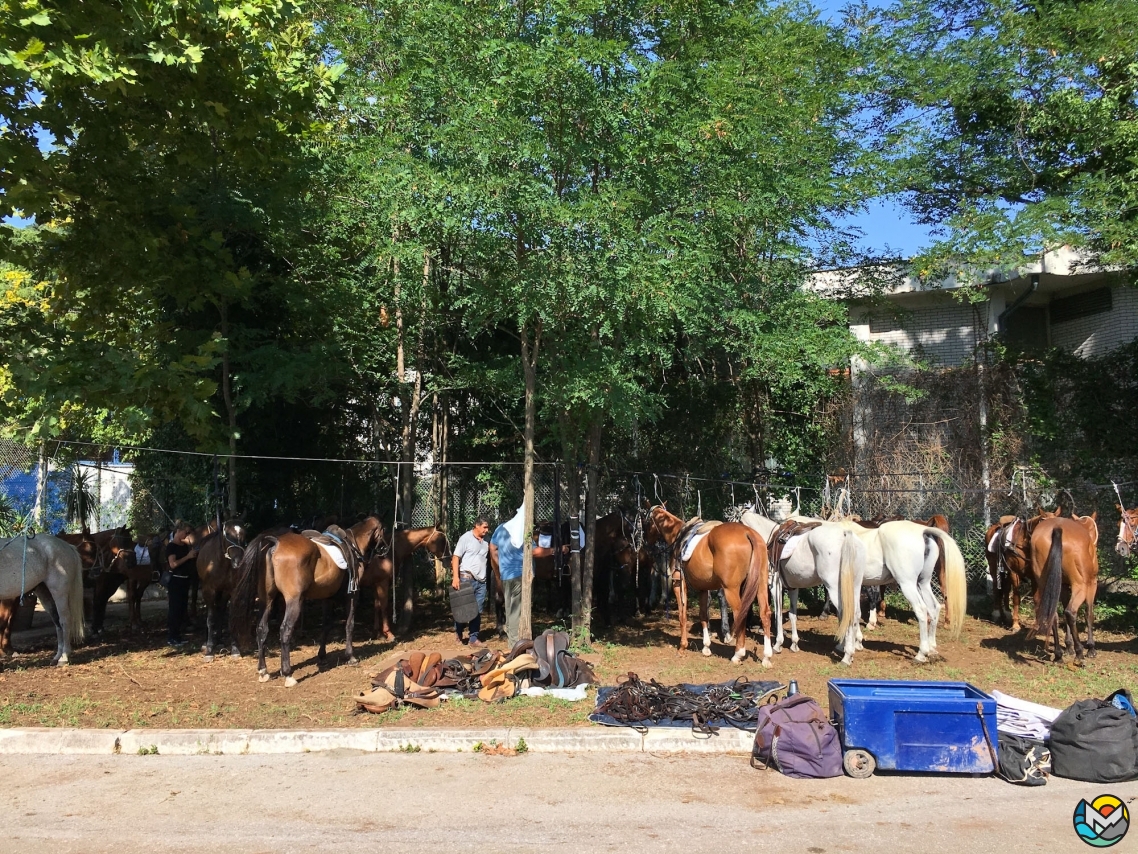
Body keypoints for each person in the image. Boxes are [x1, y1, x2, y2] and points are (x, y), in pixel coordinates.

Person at [451, 516, 490, 647]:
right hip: (466, 578)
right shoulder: (465, 538)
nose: (487, 530)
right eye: (485, 527)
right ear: (476, 526)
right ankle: (458, 632)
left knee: (477, 610)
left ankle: (473, 638)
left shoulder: (486, 542)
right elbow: (456, 557)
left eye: (487, 527)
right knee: (463, 608)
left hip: (481, 581)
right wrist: (455, 577)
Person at [489, 510, 524, 648]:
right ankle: (514, 643)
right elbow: (533, 551)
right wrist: (552, 550)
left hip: (505, 574)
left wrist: (500, 564)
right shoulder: (522, 530)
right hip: (518, 574)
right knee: (515, 608)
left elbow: (492, 547)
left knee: (509, 607)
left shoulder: (500, 528)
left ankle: (510, 635)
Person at [165, 522, 198, 647]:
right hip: (175, 581)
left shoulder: (184, 546)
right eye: (186, 532)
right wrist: (188, 556)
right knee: (175, 609)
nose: (187, 534)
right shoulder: (171, 547)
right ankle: (171, 637)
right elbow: (173, 564)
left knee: (182, 609)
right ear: (178, 531)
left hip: (185, 580)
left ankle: (178, 636)